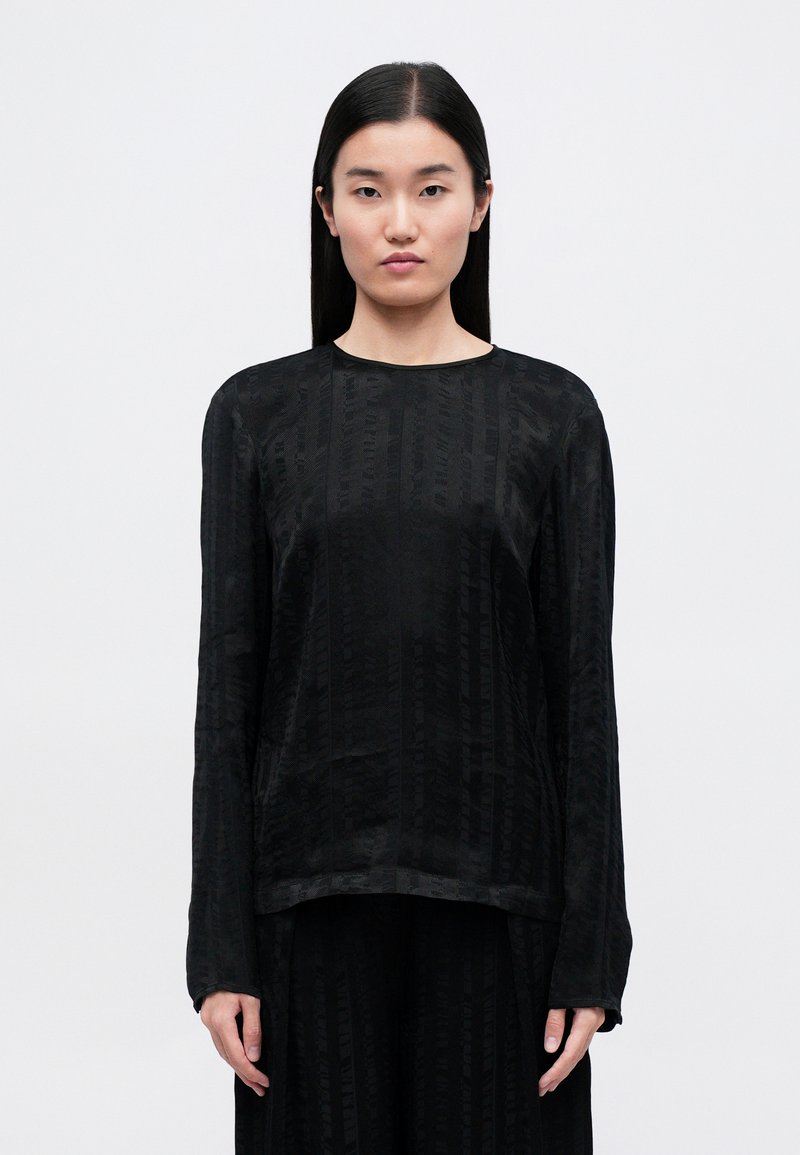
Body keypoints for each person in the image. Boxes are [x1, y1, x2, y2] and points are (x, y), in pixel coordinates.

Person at [186, 60, 633, 1154]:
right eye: (368, 189)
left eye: (432, 188)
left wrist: (591, 952)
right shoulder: (254, 416)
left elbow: (581, 697)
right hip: (304, 913)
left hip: (505, 917)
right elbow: (228, 695)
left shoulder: (552, 417)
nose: (400, 222)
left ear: (479, 205)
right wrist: (220, 950)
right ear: (325, 207)